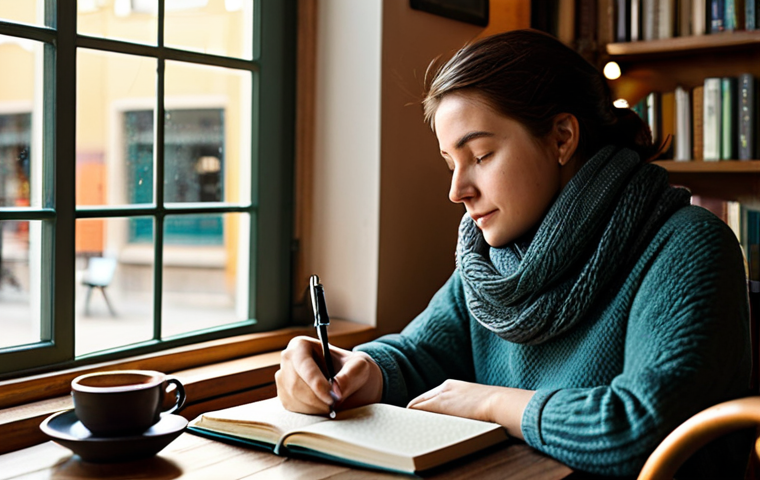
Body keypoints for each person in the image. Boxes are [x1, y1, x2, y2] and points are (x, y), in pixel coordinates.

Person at [275, 29, 752, 478]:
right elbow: (422, 353)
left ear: (562, 137)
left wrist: (489, 404)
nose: (457, 191)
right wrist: (356, 370)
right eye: (450, 163)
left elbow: (640, 425)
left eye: (479, 156)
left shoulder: (687, 245)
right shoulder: (490, 262)